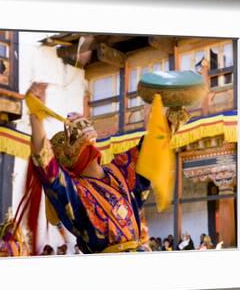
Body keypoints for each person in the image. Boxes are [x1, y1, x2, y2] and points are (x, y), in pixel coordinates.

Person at [26, 82, 153, 254]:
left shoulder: (119, 172)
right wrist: (36, 116)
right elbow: (46, 166)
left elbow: (151, 148)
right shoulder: (76, 191)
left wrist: (164, 108)